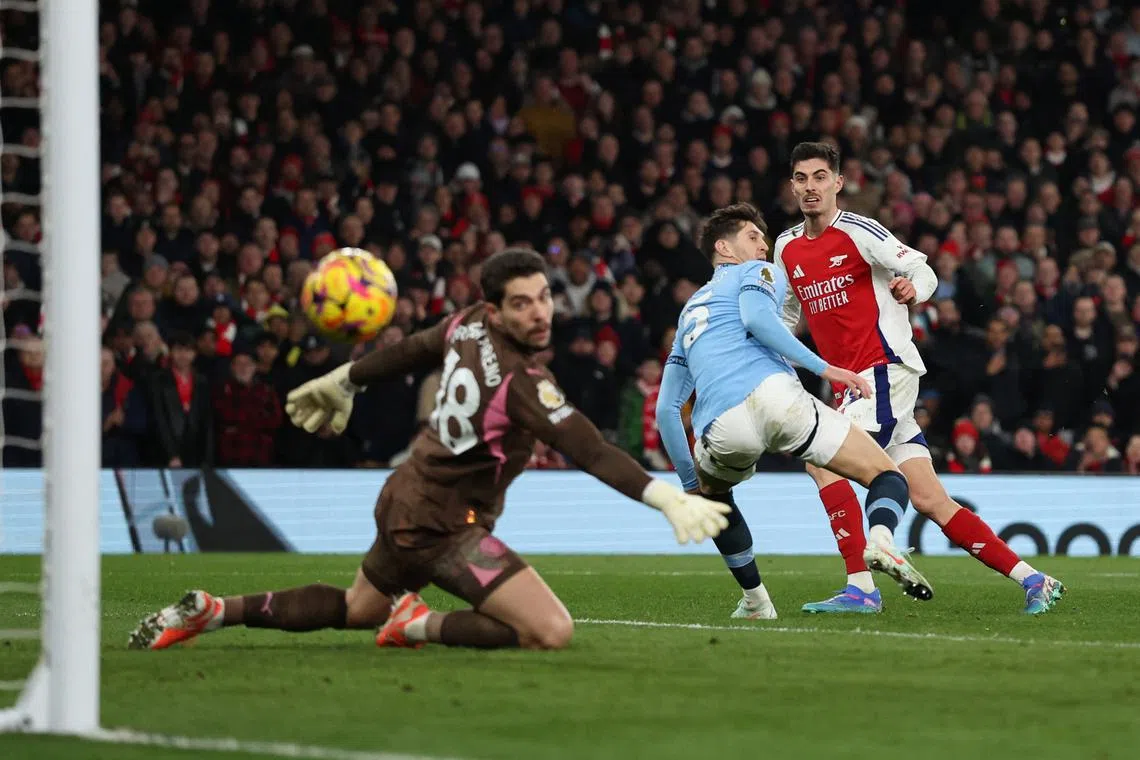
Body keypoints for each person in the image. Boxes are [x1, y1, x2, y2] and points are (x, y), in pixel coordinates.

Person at [128, 249, 731, 651]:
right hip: (446, 527)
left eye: (544, 297)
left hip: (403, 500)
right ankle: (420, 624)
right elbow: (589, 448)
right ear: (497, 309)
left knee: (357, 607)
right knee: (550, 630)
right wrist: (664, 498)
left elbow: (413, 348)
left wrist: (347, 378)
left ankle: (214, 610)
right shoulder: (522, 381)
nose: (540, 311)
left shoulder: (467, 323)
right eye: (522, 303)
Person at [773, 142, 1064, 615]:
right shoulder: (786, 247)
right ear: (792, 186)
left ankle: (865, 579)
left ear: (838, 183)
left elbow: (920, 267)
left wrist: (914, 289)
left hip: (884, 369)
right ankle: (1036, 581)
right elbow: (787, 313)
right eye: (802, 178)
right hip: (853, 383)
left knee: (821, 459)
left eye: (820, 177)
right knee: (931, 499)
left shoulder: (860, 231)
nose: (811, 187)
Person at [656, 203, 931, 620]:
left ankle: (755, 601)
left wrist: (690, 481)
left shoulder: (690, 311)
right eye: (752, 236)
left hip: (722, 427)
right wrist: (826, 367)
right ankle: (879, 540)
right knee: (887, 474)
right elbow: (759, 320)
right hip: (778, 399)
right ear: (723, 247)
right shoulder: (757, 272)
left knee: (717, 498)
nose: (763, 245)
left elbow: (667, 408)